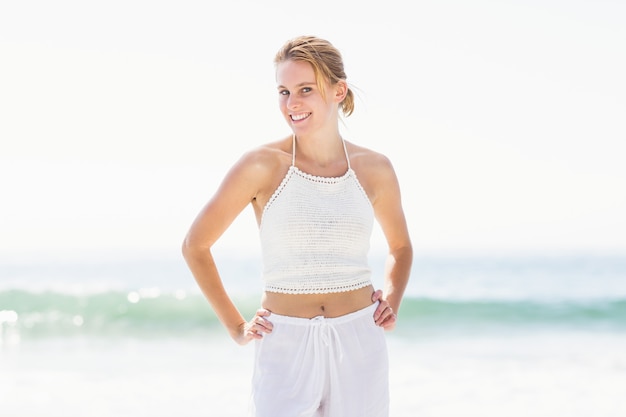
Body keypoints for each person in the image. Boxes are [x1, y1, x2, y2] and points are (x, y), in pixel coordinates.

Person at [182, 35, 413, 417]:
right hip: (284, 342)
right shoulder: (262, 165)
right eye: (284, 91)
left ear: (339, 91)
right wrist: (237, 327)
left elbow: (401, 247)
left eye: (306, 89)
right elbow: (195, 245)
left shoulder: (375, 169)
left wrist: (392, 300)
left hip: (359, 340)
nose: (292, 104)